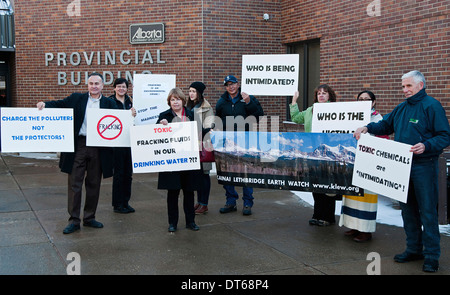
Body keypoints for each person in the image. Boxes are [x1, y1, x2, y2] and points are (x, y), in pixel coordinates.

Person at [354, 70, 450, 272]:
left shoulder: (432, 106)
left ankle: (432, 256)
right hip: (401, 167)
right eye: (403, 86)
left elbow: (444, 136)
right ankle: (413, 249)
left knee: (427, 212)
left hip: (424, 166)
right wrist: (367, 128)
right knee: (408, 211)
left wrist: (427, 145)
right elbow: (385, 125)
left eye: (408, 86)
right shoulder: (402, 108)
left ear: (420, 86)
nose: (404, 90)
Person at [36, 72, 117, 234]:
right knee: (75, 184)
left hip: (98, 148)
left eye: (97, 83)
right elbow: (59, 104)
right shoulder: (76, 98)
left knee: (94, 183)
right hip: (78, 145)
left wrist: (132, 113)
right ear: (87, 85)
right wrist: (44, 104)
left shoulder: (109, 103)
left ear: (103, 85)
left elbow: (121, 118)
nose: (94, 86)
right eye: (91, 83)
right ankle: (73, 220)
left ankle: (89, 218)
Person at [339, 90, 387, 242]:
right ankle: (354, 225)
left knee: (366, 196)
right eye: (360, 99)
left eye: (367, 99)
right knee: (352, 194)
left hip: (369, 162)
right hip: (353, 160)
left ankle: (365, 231)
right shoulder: (351, 116)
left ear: (373, 102)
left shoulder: (378, 119)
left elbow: (383, 139)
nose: (363, 101)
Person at [215, 75, 264, 216]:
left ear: (238, 84)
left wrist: (249, 103)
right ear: (225, 87)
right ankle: (231, 201)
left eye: (233, 83)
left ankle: (248, 203)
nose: (231, 86)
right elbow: (218, 119)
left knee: (246, 173)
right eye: (228, 84)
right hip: (228, 143)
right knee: (227, 173)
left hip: (246, 142)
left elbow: (259, 116)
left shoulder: (248, 98)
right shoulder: (221, 102)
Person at [157, 87, 203, 232]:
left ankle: (190, 221)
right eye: (172, 100)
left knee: (189, 193)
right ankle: (173, 223)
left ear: (183, 101)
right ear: (169, 102)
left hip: (188, 160)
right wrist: (160, 126)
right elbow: (155, 137)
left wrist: (211, 131)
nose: (175, 102)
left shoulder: (191, 114)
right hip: (171, 161)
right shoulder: (163, 116)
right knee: (173, 194)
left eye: (177, 99)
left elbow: (201, 132)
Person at [290, 84, 337, 226]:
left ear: (330, 96)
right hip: (313, 152)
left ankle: (328, 217)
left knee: (328, 187)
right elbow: (296, 119)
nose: (321, 95)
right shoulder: (310, 110)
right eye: (319, 93)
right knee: (315, 185)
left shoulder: (336, 110)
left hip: (329, 153)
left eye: (324, 93)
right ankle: (317, 214)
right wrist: (294, 102)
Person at [186, 81, 214, 215]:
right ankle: (199, 201)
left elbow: (209, 127)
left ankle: (204, 204)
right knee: (197, 175)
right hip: (192, 145)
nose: (191, 94)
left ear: (199, 93)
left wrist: (193, 130)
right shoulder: (189, 105)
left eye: (194, 91)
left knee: (204, 175)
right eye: (190, 91)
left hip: (204, 145)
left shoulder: (206, 107)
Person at [109, 78, 136, 214]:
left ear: (127, 88)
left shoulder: (130, 101)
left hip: (129, 141)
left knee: (128, 174)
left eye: (123, 87)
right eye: (118, 86)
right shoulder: (109, 101)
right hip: (116, 143)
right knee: (118, 174)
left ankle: (126, 202)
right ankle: (117, 204)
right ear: (114, 88)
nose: (121, 89)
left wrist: (133, 114)